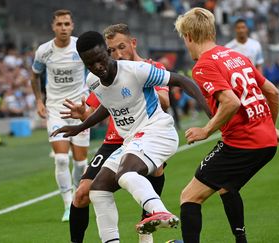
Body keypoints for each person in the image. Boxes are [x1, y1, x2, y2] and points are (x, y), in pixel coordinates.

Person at [51, 31, 211, 243]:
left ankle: (159, 211)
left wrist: (212, 116)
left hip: (157, 132)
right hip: (131, 141)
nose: (98, 67)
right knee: (97, 190)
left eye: (100, 59)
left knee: (125, 175)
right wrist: (81, 126)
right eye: (91, 63)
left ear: (108, 52)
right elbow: (107, 105)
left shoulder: (136, 71)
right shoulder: (93, 81)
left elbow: (181, 80)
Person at [175, 7, 279, 243]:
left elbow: (231, 102)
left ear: (189, 36)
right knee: (226, 186)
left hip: (242, 144)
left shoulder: (203, 66)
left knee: (189, 196)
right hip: (267, 142)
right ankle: (241, 240)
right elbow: (272, 92)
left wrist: (206, 130)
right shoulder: (236, 56)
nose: (186, 44)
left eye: (184, 39)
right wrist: (271, 127)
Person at [68, 24, 170, 243]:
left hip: (144, 136)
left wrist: (141, 86)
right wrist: (82, 115)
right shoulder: (104, 72)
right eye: (112, 50)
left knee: (154, 171)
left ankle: (151, 222)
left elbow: (165, 102)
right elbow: (97, 109)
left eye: (121, 46)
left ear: (133, 43)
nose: (118, 53)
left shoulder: (150, 68)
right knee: (83, 193)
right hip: (114, 140)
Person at [30, 9, 90, 222]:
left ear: (72, 26)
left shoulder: (81, 47)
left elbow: (94, 72)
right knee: (62, 159)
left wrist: (91, 101)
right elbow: (35, 76)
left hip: (80, 109)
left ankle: (76, 195)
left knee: (81, 164)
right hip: (55, 109)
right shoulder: (44, 51)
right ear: (53, 27)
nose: (63, 28)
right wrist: (39, 100)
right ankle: (68, 205)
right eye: (59, 24)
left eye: (67, 24)